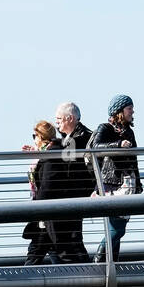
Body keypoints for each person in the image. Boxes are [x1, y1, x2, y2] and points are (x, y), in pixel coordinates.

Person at [89, 95, 143, 263]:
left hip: (129, 183)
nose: (132, 111)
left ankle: (113, 262)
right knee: (117, 229)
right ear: (119, 111)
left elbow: (133, 160)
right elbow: (95, 148)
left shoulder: (129, 131)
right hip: (112, 184)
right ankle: (99, 259)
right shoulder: (105, 128)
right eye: (129, 108)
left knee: (118, 227)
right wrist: (118, 145)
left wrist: (138, 183)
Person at [48, 102, 94, 263]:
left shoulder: (83, 137)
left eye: (59, 119)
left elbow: (72, 165)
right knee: (69, 237)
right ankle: (82, 270)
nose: (57, 122)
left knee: (72, 237)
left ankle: (86, 272)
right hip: (71, 193)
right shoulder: (69, 138)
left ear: (70, 118)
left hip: (77, 192)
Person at [22, 120, 59, 265]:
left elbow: (44, 184)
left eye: (34, 136)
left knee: (34, 254)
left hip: (44, 214)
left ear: (41, 137)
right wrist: (35, 152)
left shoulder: (48, 156)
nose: (34, 139)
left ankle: (22, 284)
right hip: (45, 214)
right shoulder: (46, 153)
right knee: (55, 253)